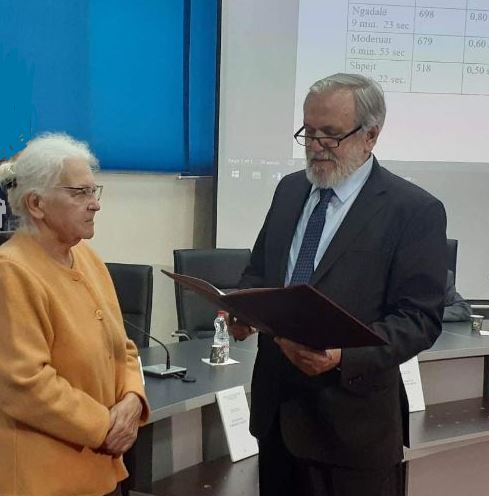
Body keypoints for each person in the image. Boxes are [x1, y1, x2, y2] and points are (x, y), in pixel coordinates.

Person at [230, 73, 447, 496]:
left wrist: (343, 356)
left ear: (370, 136)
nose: (315, 146)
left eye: (330, 135)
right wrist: (241, 308)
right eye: (308, 132)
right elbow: (260, 273)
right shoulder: (290, 190)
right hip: (276, 417)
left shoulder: (413, 210)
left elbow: (419, 319)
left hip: (352, 429)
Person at [0, 134, 150, 496]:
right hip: (45, 480)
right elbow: (25, 384)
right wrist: (105, 427)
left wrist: (133, 399)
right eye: (80, 193)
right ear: (36, 203)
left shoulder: (87, 258)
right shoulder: (11, 271)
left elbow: (123, 348)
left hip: (102, 472)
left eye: (94, 191)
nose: (95, 204)